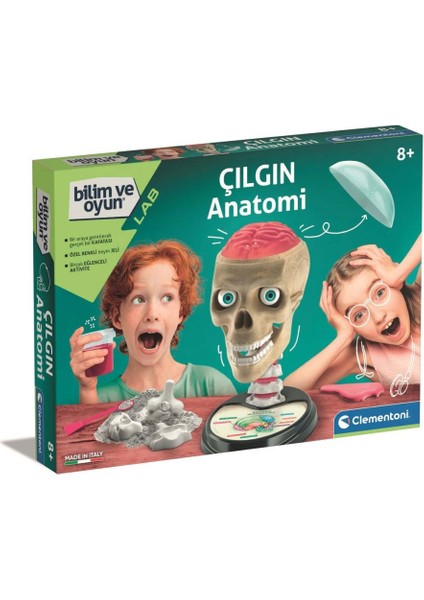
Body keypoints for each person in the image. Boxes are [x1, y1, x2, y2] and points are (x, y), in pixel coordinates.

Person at [70, 240, 236, 403]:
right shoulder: (98, 398)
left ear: (181, 311)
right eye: (138, 299)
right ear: (117, 317)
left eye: (167, 298)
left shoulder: (212, 386)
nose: (152, 314)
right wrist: (87, 390)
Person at [285, 235, 421, 391]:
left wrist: (399, 273)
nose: (378, 317)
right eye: (359, 315)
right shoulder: (362, 354)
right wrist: (343, 338)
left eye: (379, 292)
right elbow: (287, 393)